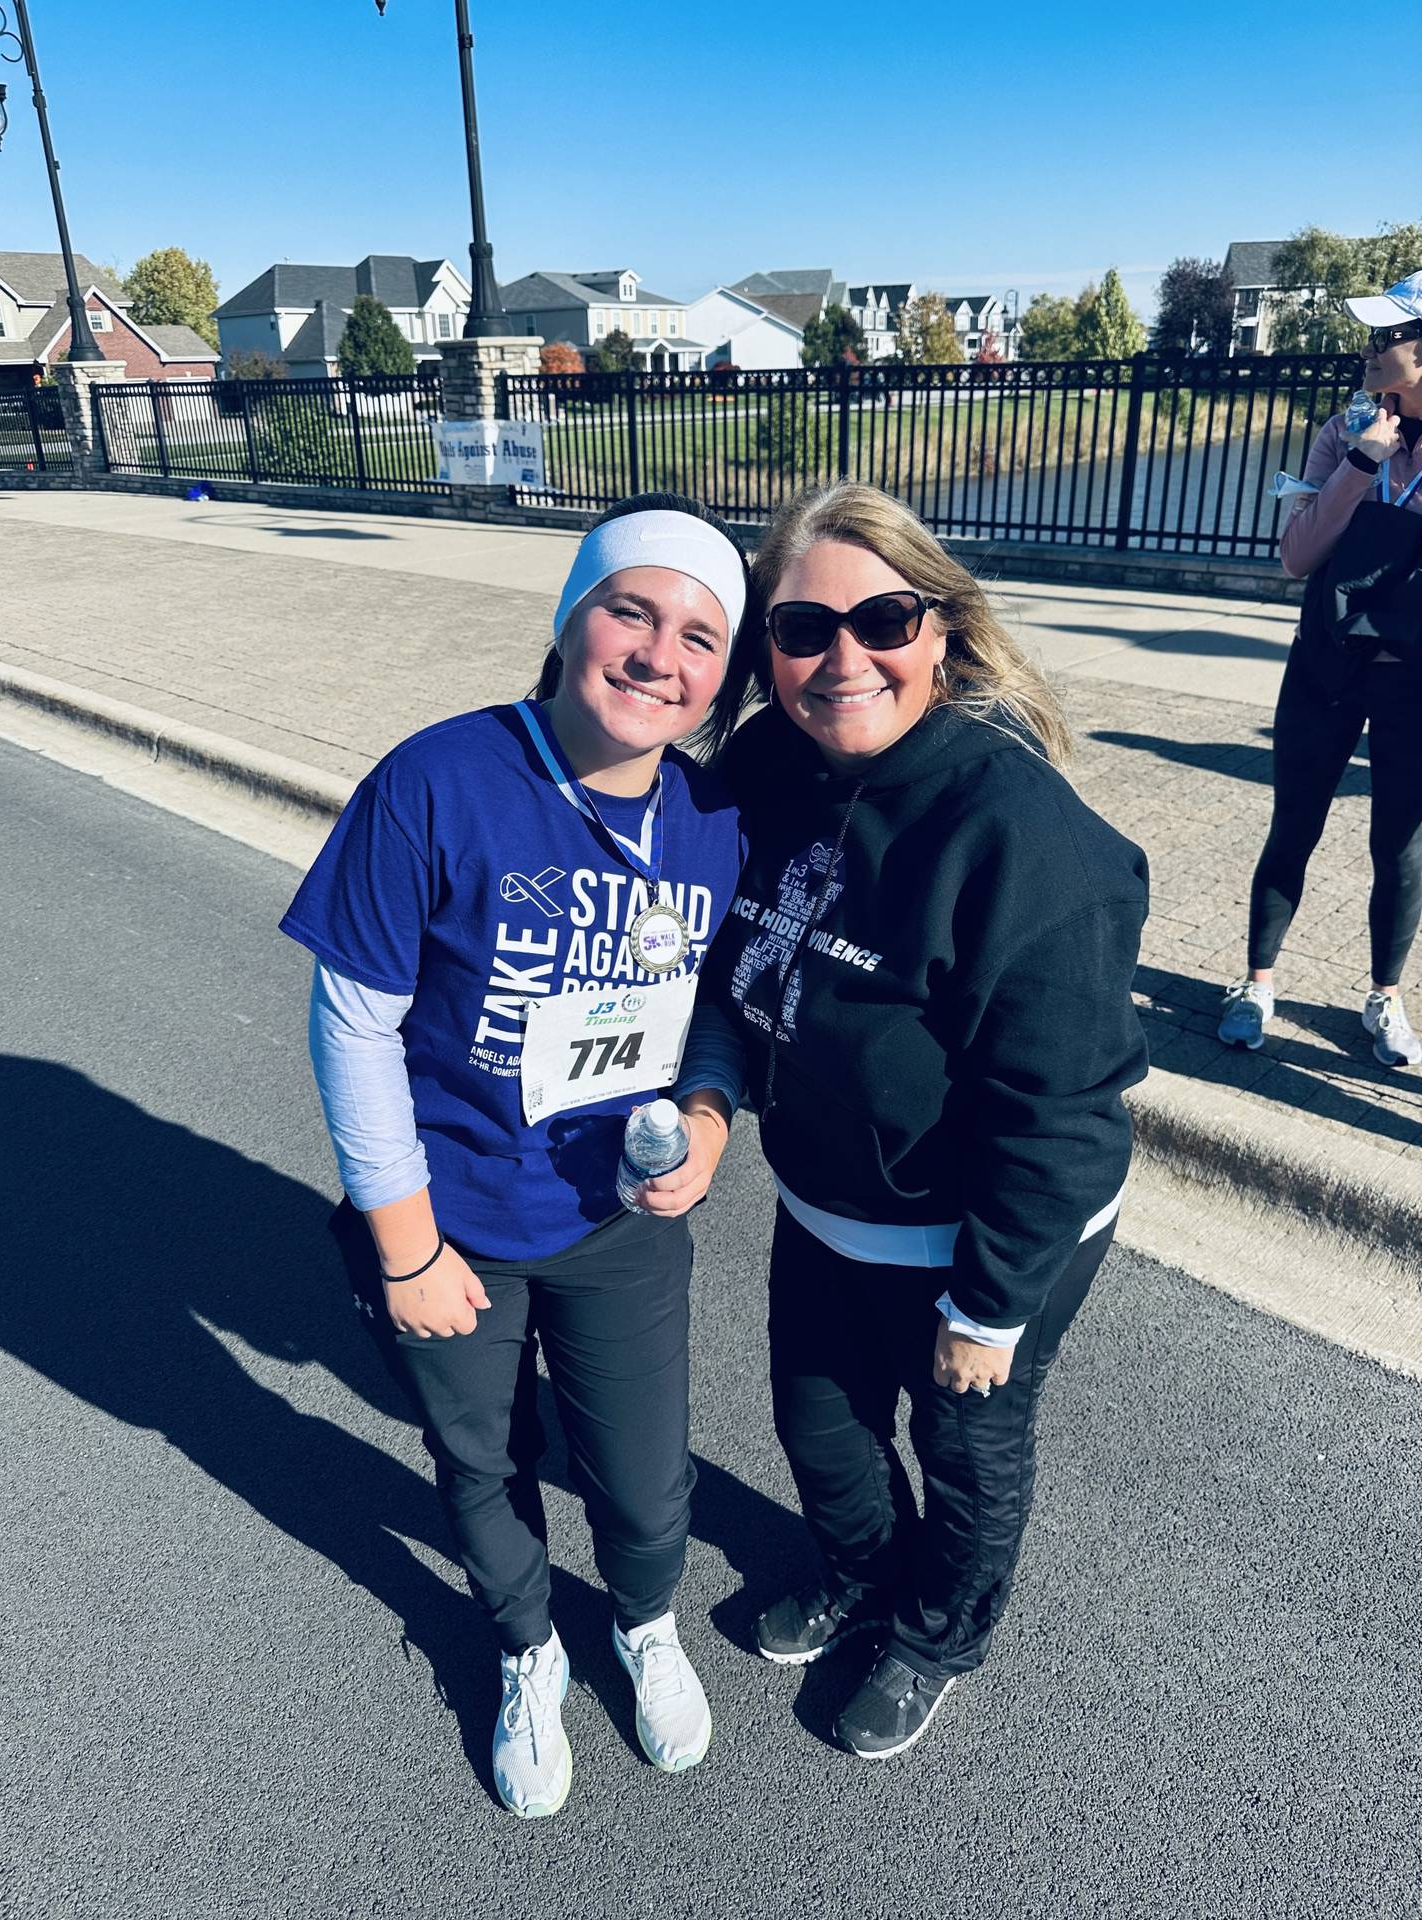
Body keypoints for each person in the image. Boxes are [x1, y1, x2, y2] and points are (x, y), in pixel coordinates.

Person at [637, 482, 1149, 1760]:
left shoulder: (1023, 838)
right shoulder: (763, 772)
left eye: (884, 619)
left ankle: (938, 1632)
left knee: (967, 1443)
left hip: (991, 1222)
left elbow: (1064, 1114)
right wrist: (708, 1095)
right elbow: (719, 964)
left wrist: (991, 1305)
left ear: (941, 632)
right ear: (768, 649)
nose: (844, 657)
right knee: (821, 1419)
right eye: (804, 629)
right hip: (832, 1199)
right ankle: (864, 1572)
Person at [280, 493, 751, 1818]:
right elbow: (355, 1018)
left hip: (620, 1216)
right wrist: (406, 1243)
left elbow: (714, 1000)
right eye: (631, 611)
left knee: (646, 1472)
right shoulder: (441, 778)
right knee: (479, 1461)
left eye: (701, 636)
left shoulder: (715, 821)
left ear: (722, 676)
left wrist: (706, 1119)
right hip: (455, 1218)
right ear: (570, 621)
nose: (660, 655)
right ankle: (530, 1650)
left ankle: (642, 1627)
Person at [1219, 271, 1422, 1067]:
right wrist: (1362, 466)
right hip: (1325, 665)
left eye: (1391, 337)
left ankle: (1385, 997)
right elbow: (1297, 558)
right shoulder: (1344, 431)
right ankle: (1257, 982)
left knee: (1400, 849)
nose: (1372, 350)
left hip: (1413, 680)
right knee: (1294, 824)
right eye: (1371, 334)